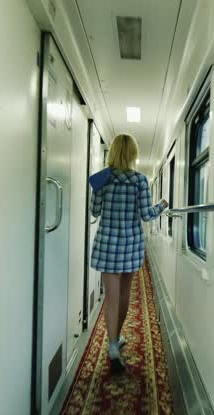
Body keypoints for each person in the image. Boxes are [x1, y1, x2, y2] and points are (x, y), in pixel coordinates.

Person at [89, 133, 168, 372]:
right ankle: (116, 338)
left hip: (107, 244)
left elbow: (94, 211)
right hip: (131, 245)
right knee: (124, 295)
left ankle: (113, 345)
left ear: (112, 152)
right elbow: (146, 215)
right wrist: (163, 205)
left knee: (110, 297)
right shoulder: (140, 181)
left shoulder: (102, 179)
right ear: (133, 154)